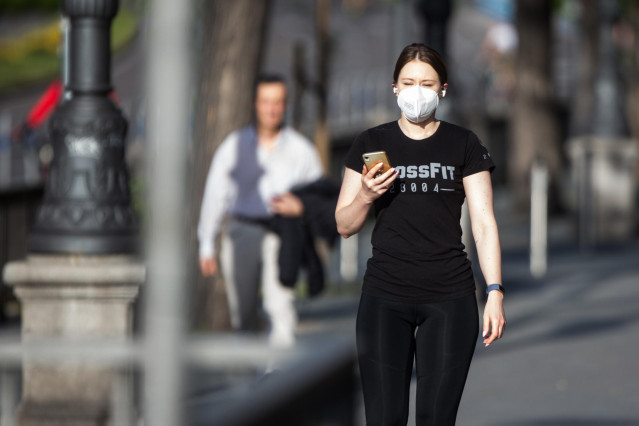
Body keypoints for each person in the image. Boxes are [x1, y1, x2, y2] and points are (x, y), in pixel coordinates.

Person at [335, 43, 506, 425]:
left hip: (450, 298)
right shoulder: (371, 143)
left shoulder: (464, 144)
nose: (417, 90)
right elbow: (344, 226)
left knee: (436, 419)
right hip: (384, 297)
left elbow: (483, 222)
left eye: (426, 83)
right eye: (408, 82)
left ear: (442, 89)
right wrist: (365, 194)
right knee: (383, 418)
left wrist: (494, 291)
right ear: (394, 87)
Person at [198, 74, 323, 348]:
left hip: (283, 233)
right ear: (255, 104)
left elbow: (319, 196)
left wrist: (301, 208)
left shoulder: (301, 150)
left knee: (280, 307)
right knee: (242, 314)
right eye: (266, 102)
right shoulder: (235, 146)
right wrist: (206, 243)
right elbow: (216, 194)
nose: (271, 109)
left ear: (285, 105)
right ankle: (246, 381)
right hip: (242, 229)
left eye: (277, 102)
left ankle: (278, 379)